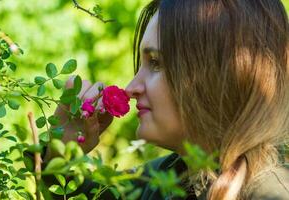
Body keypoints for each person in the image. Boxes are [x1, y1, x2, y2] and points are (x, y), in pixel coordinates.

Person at [42, 0, 289, 199]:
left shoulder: (271, 193)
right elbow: (79, 195)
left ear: (219, 72)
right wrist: (61, 150)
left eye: (156, 63)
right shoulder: (167, 177)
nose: (130, 88)